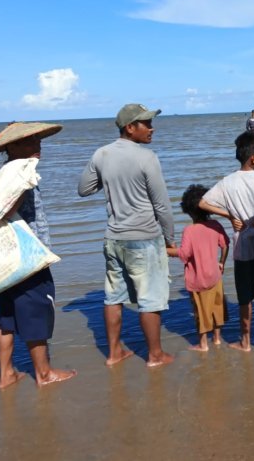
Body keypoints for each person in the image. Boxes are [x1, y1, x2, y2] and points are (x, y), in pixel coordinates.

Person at [0, 121, 77, 388]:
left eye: (38, 140)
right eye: (29, 141)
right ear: (11, 146)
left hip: (9, 257)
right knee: (36, 310)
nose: (37, 145)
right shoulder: (20, 171)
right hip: (28, 257)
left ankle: (7, 374)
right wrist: (24, 185)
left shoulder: (6, 170)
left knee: (8, 314)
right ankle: (44, 374)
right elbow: (6, 210)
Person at [77, 103, 176, 368]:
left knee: (113, 297)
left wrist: (110, 179)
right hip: (144, 237)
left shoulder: (102, 154)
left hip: (113, 237)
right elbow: (162, 205)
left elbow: (84, 189)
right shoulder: (147, 157)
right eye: (146, 123)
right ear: (130, 128)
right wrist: (170, 238)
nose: (152, 128)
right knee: (150, 299)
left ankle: (114, 353)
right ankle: (155, 355)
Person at [198, 131, 254, 352]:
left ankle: (245, 341)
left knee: (245, 298)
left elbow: (202, 203)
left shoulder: (227, 182)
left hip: (242, 248)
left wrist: (229, 216)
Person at [166, 185, 229, 351]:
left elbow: (184, 254)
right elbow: (225, 244)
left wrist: (166, 251)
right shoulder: (215, 225)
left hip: (197, 279)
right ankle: (216, 339)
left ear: (188, 211)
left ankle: (203, 344)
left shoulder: (189, 230)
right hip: (215, 276)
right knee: (217, 308)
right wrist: (222, 262)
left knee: (200, 311)